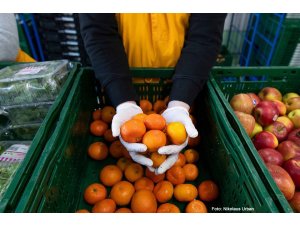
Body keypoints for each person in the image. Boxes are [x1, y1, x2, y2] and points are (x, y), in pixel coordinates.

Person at [79, 13, 226, 174]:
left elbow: (205, 35)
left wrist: (180, 102)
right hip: (118, 82)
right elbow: (99, 33)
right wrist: (123, 100)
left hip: (180, 83)